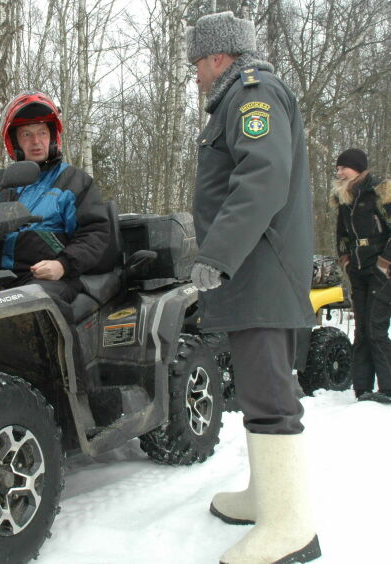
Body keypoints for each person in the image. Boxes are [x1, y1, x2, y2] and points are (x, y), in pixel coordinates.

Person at [186, 11, 321, 564]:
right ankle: (267, 497)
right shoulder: (240, 98)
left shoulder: (252, 93)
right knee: (259, 389)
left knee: (270, 395)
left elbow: (260, 178)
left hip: (257, 271)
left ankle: (291, 527)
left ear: (219, 57)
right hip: (254, 273)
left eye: (197, 63)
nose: (195, 75)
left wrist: (216, 255)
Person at [0, 91, 109, 304]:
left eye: (42, 132)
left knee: (32, 306)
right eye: (26, 134)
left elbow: (95, 233)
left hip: (51, 279)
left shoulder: (73, 182)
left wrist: (63, 265)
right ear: (15, 142)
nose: (36, 141)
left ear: (52, 137)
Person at [332, 148, 391, 404]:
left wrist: (384, 262)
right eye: (338, 168)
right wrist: (345, 260)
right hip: (357, 268)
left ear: (358, 168)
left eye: (344, 167)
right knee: (362, 329)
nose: (340, 172)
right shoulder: (345, 198)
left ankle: (388, 387)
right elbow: (341, 235)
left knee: (376, 328)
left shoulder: (380, 191)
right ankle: (363, 388)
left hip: (382, 269)